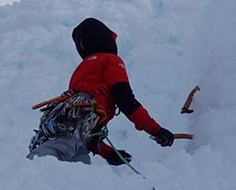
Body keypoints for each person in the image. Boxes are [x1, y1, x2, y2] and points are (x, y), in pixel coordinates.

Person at [27, 17, 175, 165]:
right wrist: (156, 130)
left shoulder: (82, 70)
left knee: (76, 161)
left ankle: (38, 178)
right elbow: (125, 99)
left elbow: (84, 133)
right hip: (78, 121)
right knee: (59, 151)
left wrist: (108, 153)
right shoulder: (110, 60)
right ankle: (29, 172)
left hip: (69, 121)